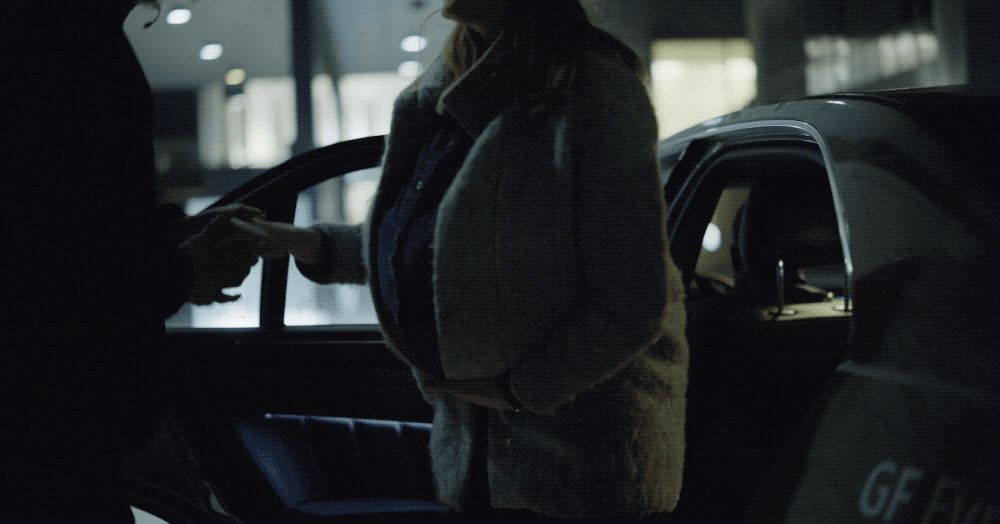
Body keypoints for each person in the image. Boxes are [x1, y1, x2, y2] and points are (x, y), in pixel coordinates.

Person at [239, 0, 689, 520]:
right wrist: (306, 243)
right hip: (480, 457)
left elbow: (633, 298)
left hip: (577, 468)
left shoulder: (594, 88)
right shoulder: (451, 89)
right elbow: (437, 247)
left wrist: (519, 390)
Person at [2, 2, 261, 522]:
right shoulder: (61, 42)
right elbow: (49, 259)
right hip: (51, 419)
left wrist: (175, 240)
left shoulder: (62, 33)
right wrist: (182, 271)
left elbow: (75, 223)